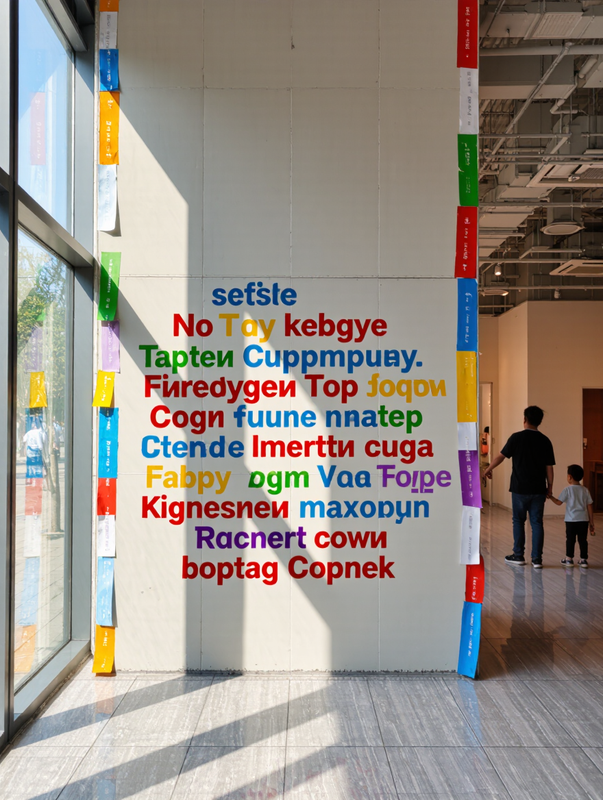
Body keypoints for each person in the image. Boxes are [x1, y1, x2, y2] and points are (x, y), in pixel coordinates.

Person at [483, 406, 555, 569]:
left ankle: (518, 555)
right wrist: (550, 487)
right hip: (538, 489)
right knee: (537, 522)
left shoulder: (516, 438)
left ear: (524, 419)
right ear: (539, 421)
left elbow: (500, 457)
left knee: (518, 521)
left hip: (519, 488)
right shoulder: (545, 440)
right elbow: (549, 467)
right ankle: (537, 559)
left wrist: (487, 470)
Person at [548, 464, 595, 568]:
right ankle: (583, 560)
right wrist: (591, 522)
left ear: (569, 477)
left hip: (570, 520)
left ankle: (569, 559)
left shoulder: (567, 490)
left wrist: (550, 497)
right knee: (583, 540)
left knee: (570, 539)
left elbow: (559, 502)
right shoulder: (585, 490)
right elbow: (590, 505)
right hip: (583, 520)